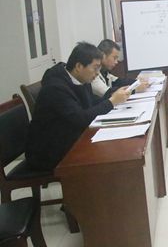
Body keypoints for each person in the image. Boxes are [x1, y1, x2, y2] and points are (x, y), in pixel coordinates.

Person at [26, 42, 131, 170]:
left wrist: (112, 97)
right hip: (47, 152)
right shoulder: (56, 88)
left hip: (69, 138)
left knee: (114, 147)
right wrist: (111, 102)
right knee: (110, 154)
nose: (97, 73)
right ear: (79, 66)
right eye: (95, 68)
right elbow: (80, 119)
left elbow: (91, 103)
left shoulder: (79, 78)